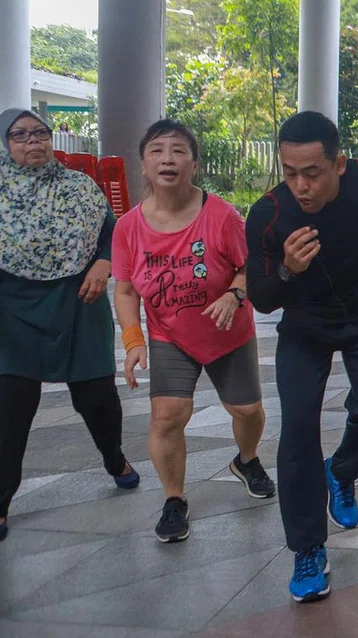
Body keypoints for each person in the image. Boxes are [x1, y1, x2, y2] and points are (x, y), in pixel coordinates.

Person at [245, 111, 358, 602]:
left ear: (338, 164)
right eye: (289, 171)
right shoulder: (268, 214)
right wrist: (289, 271)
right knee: (297, 431)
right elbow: (260, 297)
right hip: (304, 328)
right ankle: (308, 549)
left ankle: (341, 471)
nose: (300, 185)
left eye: (312, 172)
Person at [112, 119, 273, 544]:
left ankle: (248, 459)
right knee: (168, 416)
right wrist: (133, 340)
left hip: (227, 332)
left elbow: (249, 267)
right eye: (157, 151)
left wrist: (234, 296)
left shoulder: (220, 215)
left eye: (179, 150)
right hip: (170, 336)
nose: (168, 158)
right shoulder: (128, 227)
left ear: (194, 164)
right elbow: (126, 290)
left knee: (247, 411)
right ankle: (173, 499)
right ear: (144, 165)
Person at [0, 108, 139, 543]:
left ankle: (114, 457)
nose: (33, 141)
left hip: (81, 300)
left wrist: (102, 263)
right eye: (20, 136)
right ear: (5, 145)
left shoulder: (80, 186)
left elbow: (111, 232)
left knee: (98, 398)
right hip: (12, 310)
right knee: (11, 406)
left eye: (39, 133)